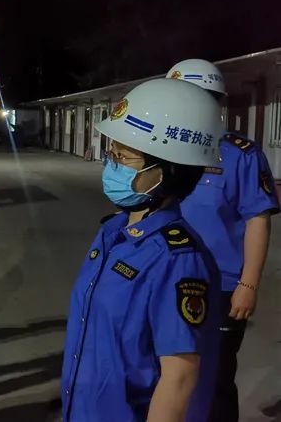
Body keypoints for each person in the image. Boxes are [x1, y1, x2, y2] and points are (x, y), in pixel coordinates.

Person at [61, 78, 223, 421]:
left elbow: (179, 380)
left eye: (124, 157)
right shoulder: (112, 233)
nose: (112, 165)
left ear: (170, 170)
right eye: (112, 153)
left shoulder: (178, 260)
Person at [167, 59, 279, 421]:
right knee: (165, 373)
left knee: (214, 379)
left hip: (220, 286)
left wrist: (249, 284)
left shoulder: (240, 155)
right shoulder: (162, 149)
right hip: (165, 279)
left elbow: (257, 220)